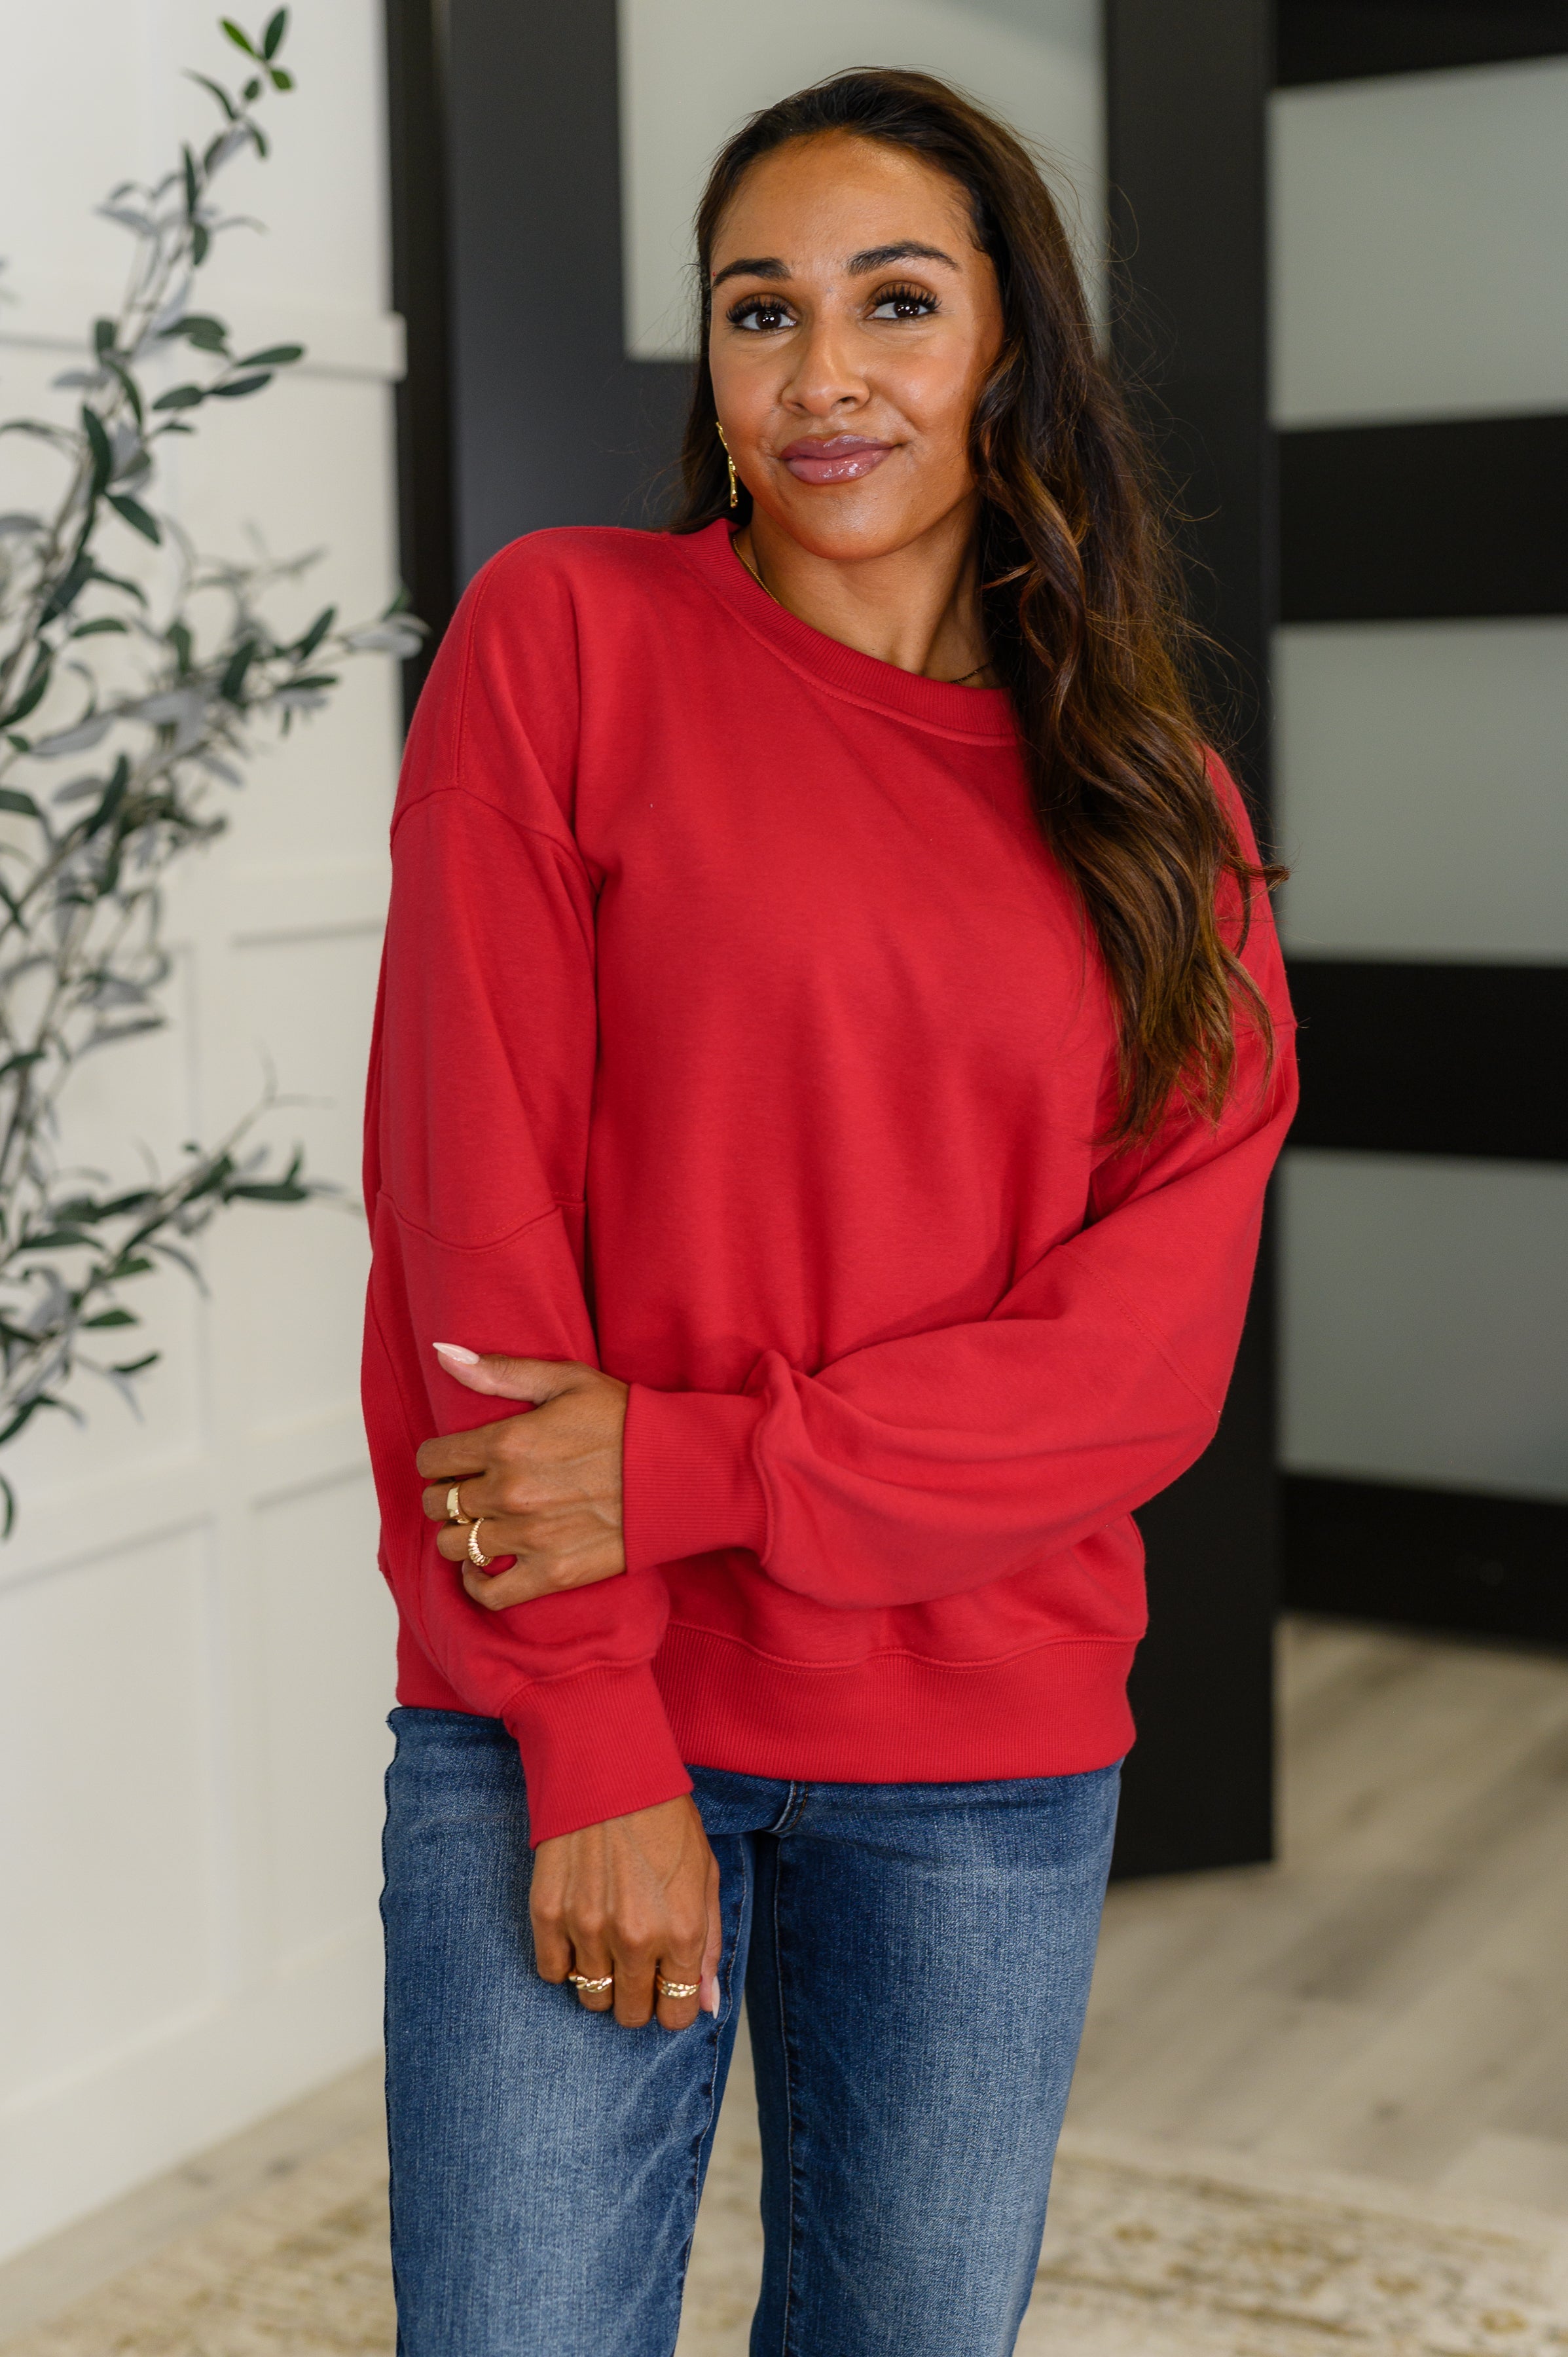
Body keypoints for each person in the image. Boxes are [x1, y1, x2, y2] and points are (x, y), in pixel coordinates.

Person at [363, 65, 1296, 2357]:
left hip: (984, 1751)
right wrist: (590, 1738)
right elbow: (465, 1236)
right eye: (757, 311)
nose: (823, 373)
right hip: (569, 1708)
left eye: (895, 300)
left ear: (1009, 346)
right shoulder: (569, 639)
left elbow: (1134, 1363)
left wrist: (697, 1462)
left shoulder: (1155, 810)